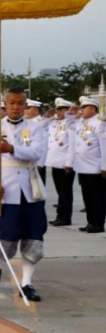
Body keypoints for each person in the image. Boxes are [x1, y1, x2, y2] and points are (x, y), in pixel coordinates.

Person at [0, 88, 47, 302]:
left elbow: (37, 153)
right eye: (11, 103)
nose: (15, 107)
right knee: (7, 234)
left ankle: (27, 282)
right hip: (7, 189)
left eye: (20, 103)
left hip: (30, 188)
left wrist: (11, 148)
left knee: (33, 236)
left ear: (25, 105)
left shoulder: (35, 128)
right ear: (5, 104)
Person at [66, 96, 105, 233]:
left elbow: (104, 145)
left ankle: (98, 224)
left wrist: (104, 166)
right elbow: (69, 126)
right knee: (87, 197)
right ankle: (91, 222)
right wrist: (70, 113)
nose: (80, 110)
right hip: (82, 167)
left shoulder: (100, 122)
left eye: (83, 107)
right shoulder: (81, 122)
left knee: (97, 198)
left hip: (95, 167)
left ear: (92, 108)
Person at [46, 98, 76, 226]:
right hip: (55, 162)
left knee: (65, 192)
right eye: (57, 109)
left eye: (61, 109)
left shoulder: (71, 124)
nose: (58, 112)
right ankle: (60, 215)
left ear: (67, 111)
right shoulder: (54, 123)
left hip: (65, 163)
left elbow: (72, 146)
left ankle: (65, 217)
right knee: (60, 192)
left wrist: (69, 163)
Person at [26, 99, 49, 184]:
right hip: (27, 160)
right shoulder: (27, 122)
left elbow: (44, 144)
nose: (26, 111)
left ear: (36, 111)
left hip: (37, 162)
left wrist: (40, 163)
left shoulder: (41, 123)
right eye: (26, 108)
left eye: (28, 108)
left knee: (38, 190)